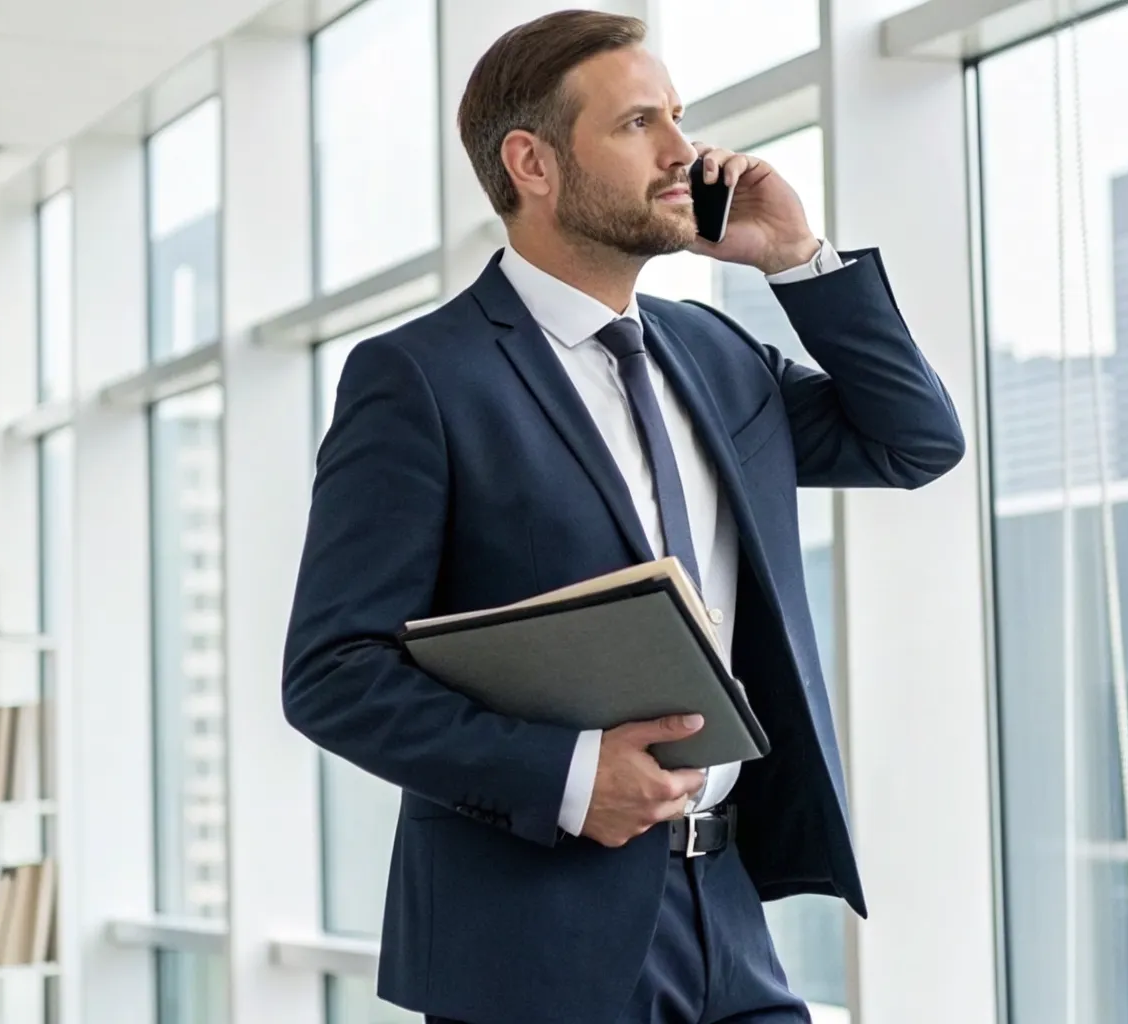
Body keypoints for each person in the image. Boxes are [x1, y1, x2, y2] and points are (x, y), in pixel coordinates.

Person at [281, 9, 964, 1024]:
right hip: (530, 943)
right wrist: (567, 776)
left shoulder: (715, 354)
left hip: (729, 915)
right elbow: (333, 672)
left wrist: (796, 256)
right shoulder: (420, 378)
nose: (683, 151)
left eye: (678, 117)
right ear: (532, 163)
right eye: (639, 122)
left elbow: (913, 441)